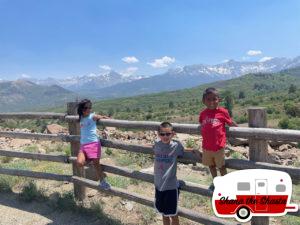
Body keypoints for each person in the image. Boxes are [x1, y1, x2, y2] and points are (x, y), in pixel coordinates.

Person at [199, 88, 237, 190]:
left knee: (221, 166)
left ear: (218, 100)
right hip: (206, 146)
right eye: (208, 99)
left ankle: (225, 183)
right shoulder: (203, 114)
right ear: (204, 101)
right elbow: (201, 123)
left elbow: (230, 122)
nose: (211, 102)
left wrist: (239, 129)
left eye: (214, 99)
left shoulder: (223, 112)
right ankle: (215, 181)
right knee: (211, 165)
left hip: (218, 146)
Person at [153, 122, 184, 225]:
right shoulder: (156, 144)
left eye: (168, 134)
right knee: (163, 214)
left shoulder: (176, 146)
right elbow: (151, 146)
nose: (165, 136)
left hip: (170, 187)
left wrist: (194, 151)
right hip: (158, 185)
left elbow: (184, 151)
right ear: (158, 134)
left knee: (173, 215)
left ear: (173, 134)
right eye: (162, 134)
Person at [76, 99, 111, 189]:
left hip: (93, 144)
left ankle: (102, 181)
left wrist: (107, 118)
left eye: (89, 107)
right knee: (79, 163)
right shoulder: (80, 118)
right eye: (86, 108)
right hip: (83, 145)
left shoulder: (92, 116)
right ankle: (90, 160)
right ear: (81, 109)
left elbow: (102, 117)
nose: (88, 109)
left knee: (96, 164)